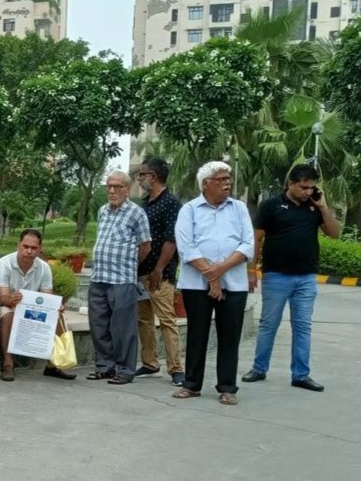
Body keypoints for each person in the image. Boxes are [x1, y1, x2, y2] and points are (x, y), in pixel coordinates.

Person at [243, 164, 340, 392]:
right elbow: (256, 239)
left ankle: (301, 375)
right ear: (290, 184)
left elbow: (334, 233)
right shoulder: (271, 206)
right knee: (269, 324)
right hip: (276, 276)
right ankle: (259, 368)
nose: (308, 192)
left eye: (311, 188)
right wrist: (251, 271)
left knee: (303, 326)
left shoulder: (314, 207)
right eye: (303, 187)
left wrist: (323, 207)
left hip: (306, 277)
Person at [173, 161, 253, 406]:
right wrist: (212, 277)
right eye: (221, 179)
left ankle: (227, 387)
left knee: (230, 336)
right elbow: (186, 247)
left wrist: (218, 271)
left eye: (228, 178)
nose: (227, 183)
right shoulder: (189, 209)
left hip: (234, 284)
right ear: (206, 184)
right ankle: (191, 384)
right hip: (196, 284)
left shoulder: (239, 208)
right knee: (197, 334)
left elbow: (247, 244)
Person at [88, 171, 152, 385]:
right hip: (99, 276)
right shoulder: (102, 211)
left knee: (123, 327)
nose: (112, 190)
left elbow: (145, 246)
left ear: (127, 189)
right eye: (109, 186)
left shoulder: (136, 213)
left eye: (116, 186)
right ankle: (105, 367)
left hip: (122, 278)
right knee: (98, 324)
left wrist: (129, 264)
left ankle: (125, 370)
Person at [0, 228, 76, 382]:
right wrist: (11, 300)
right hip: (9, 305)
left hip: (31, 307)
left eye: (33, 248)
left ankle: (53, 365)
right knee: (7, 314)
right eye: (25, 246)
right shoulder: (4, 264)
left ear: (40, 249)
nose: (29, 251)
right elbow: (2, 297)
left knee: (56, 315)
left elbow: (47, 296)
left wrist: (55, 306)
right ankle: (8, 364)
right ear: (18, 245)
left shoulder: (44, 267)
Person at [135, 157, 185, 386]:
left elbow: (171, 239)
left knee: (166, 320)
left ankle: (176, 368)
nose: (139, 179)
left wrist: (159, 269)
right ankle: (150, 363)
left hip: (160, 274)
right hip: (141, 273)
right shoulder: (146, 204)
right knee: (144, 319)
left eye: (142, 174)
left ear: (153, 177)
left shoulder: (171, 203)